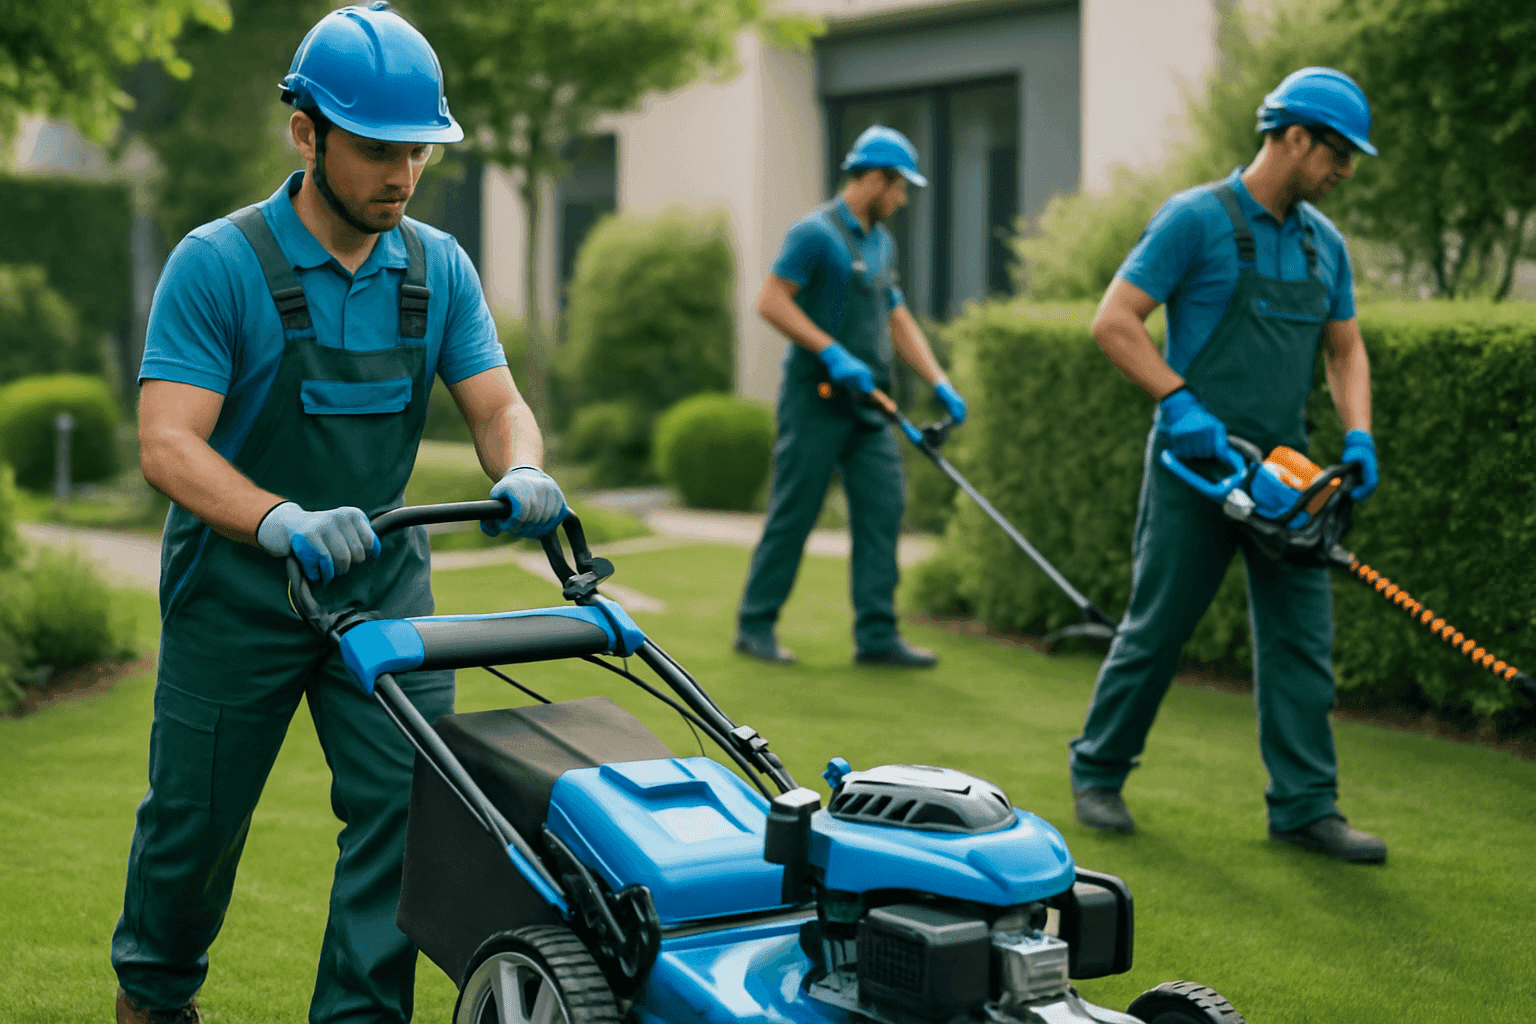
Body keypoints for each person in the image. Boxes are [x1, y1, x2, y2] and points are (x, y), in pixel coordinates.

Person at [111, 5, 566, 1022]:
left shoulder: (438, 267)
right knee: (194, 825)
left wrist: (524, 468)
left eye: (418, 149)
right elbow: (166, 442)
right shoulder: (217, 264)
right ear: (305, 132)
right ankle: (152, 995)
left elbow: (496, 404)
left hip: (378, 586)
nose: (400, 174)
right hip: (237, 592)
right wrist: (278, 519)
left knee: (409, 816)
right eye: (375, 148)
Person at [1067, 68, 1386, 863]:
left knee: (1301, 642)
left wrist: (1359, 435)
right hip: (1194, 467)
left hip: (1284, 476)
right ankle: (1098, 771)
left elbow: (1344, 348)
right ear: (1293, 136)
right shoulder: (1194, 221)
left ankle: (1306, 808)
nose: (1345, 171)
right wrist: (1178, 403)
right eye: (1338, 153)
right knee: (1159, 628)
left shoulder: (1326, 246)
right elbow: (1115, 321)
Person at [735, 126, 966, 668]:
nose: (904, 199)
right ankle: (755, 625)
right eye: (900, 186)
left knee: (885, 508)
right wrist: (832, 351)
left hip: (870, 406)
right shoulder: (813, 234)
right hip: (814, 399)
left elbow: (897, 315)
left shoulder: (881, 241)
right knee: (794, 513)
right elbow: (771, 301)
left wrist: (939, 381)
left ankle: (878, 636)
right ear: (874, 179)